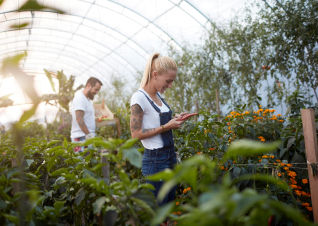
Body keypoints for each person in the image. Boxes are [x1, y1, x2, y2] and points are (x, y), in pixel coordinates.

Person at [130, 53, 186, 205]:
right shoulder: (139, 98)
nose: (170, 85)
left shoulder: (159, 97)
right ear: (155, 75)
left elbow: (158, 120)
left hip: (170, 156)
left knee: (168, 206)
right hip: (155, 161)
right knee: (157, 209)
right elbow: (135, 134)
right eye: (168, 81)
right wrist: (166, 126)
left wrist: (176, 119)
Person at [70, 77, 102, 150]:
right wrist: (89, 137)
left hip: (86, 137)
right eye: (96, 89)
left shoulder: (87, 99)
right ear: (88, 86)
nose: (96, 93)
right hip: (81, 138)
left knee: (90, 160)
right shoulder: (80, 97)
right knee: (81, 161)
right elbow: (79, 119)